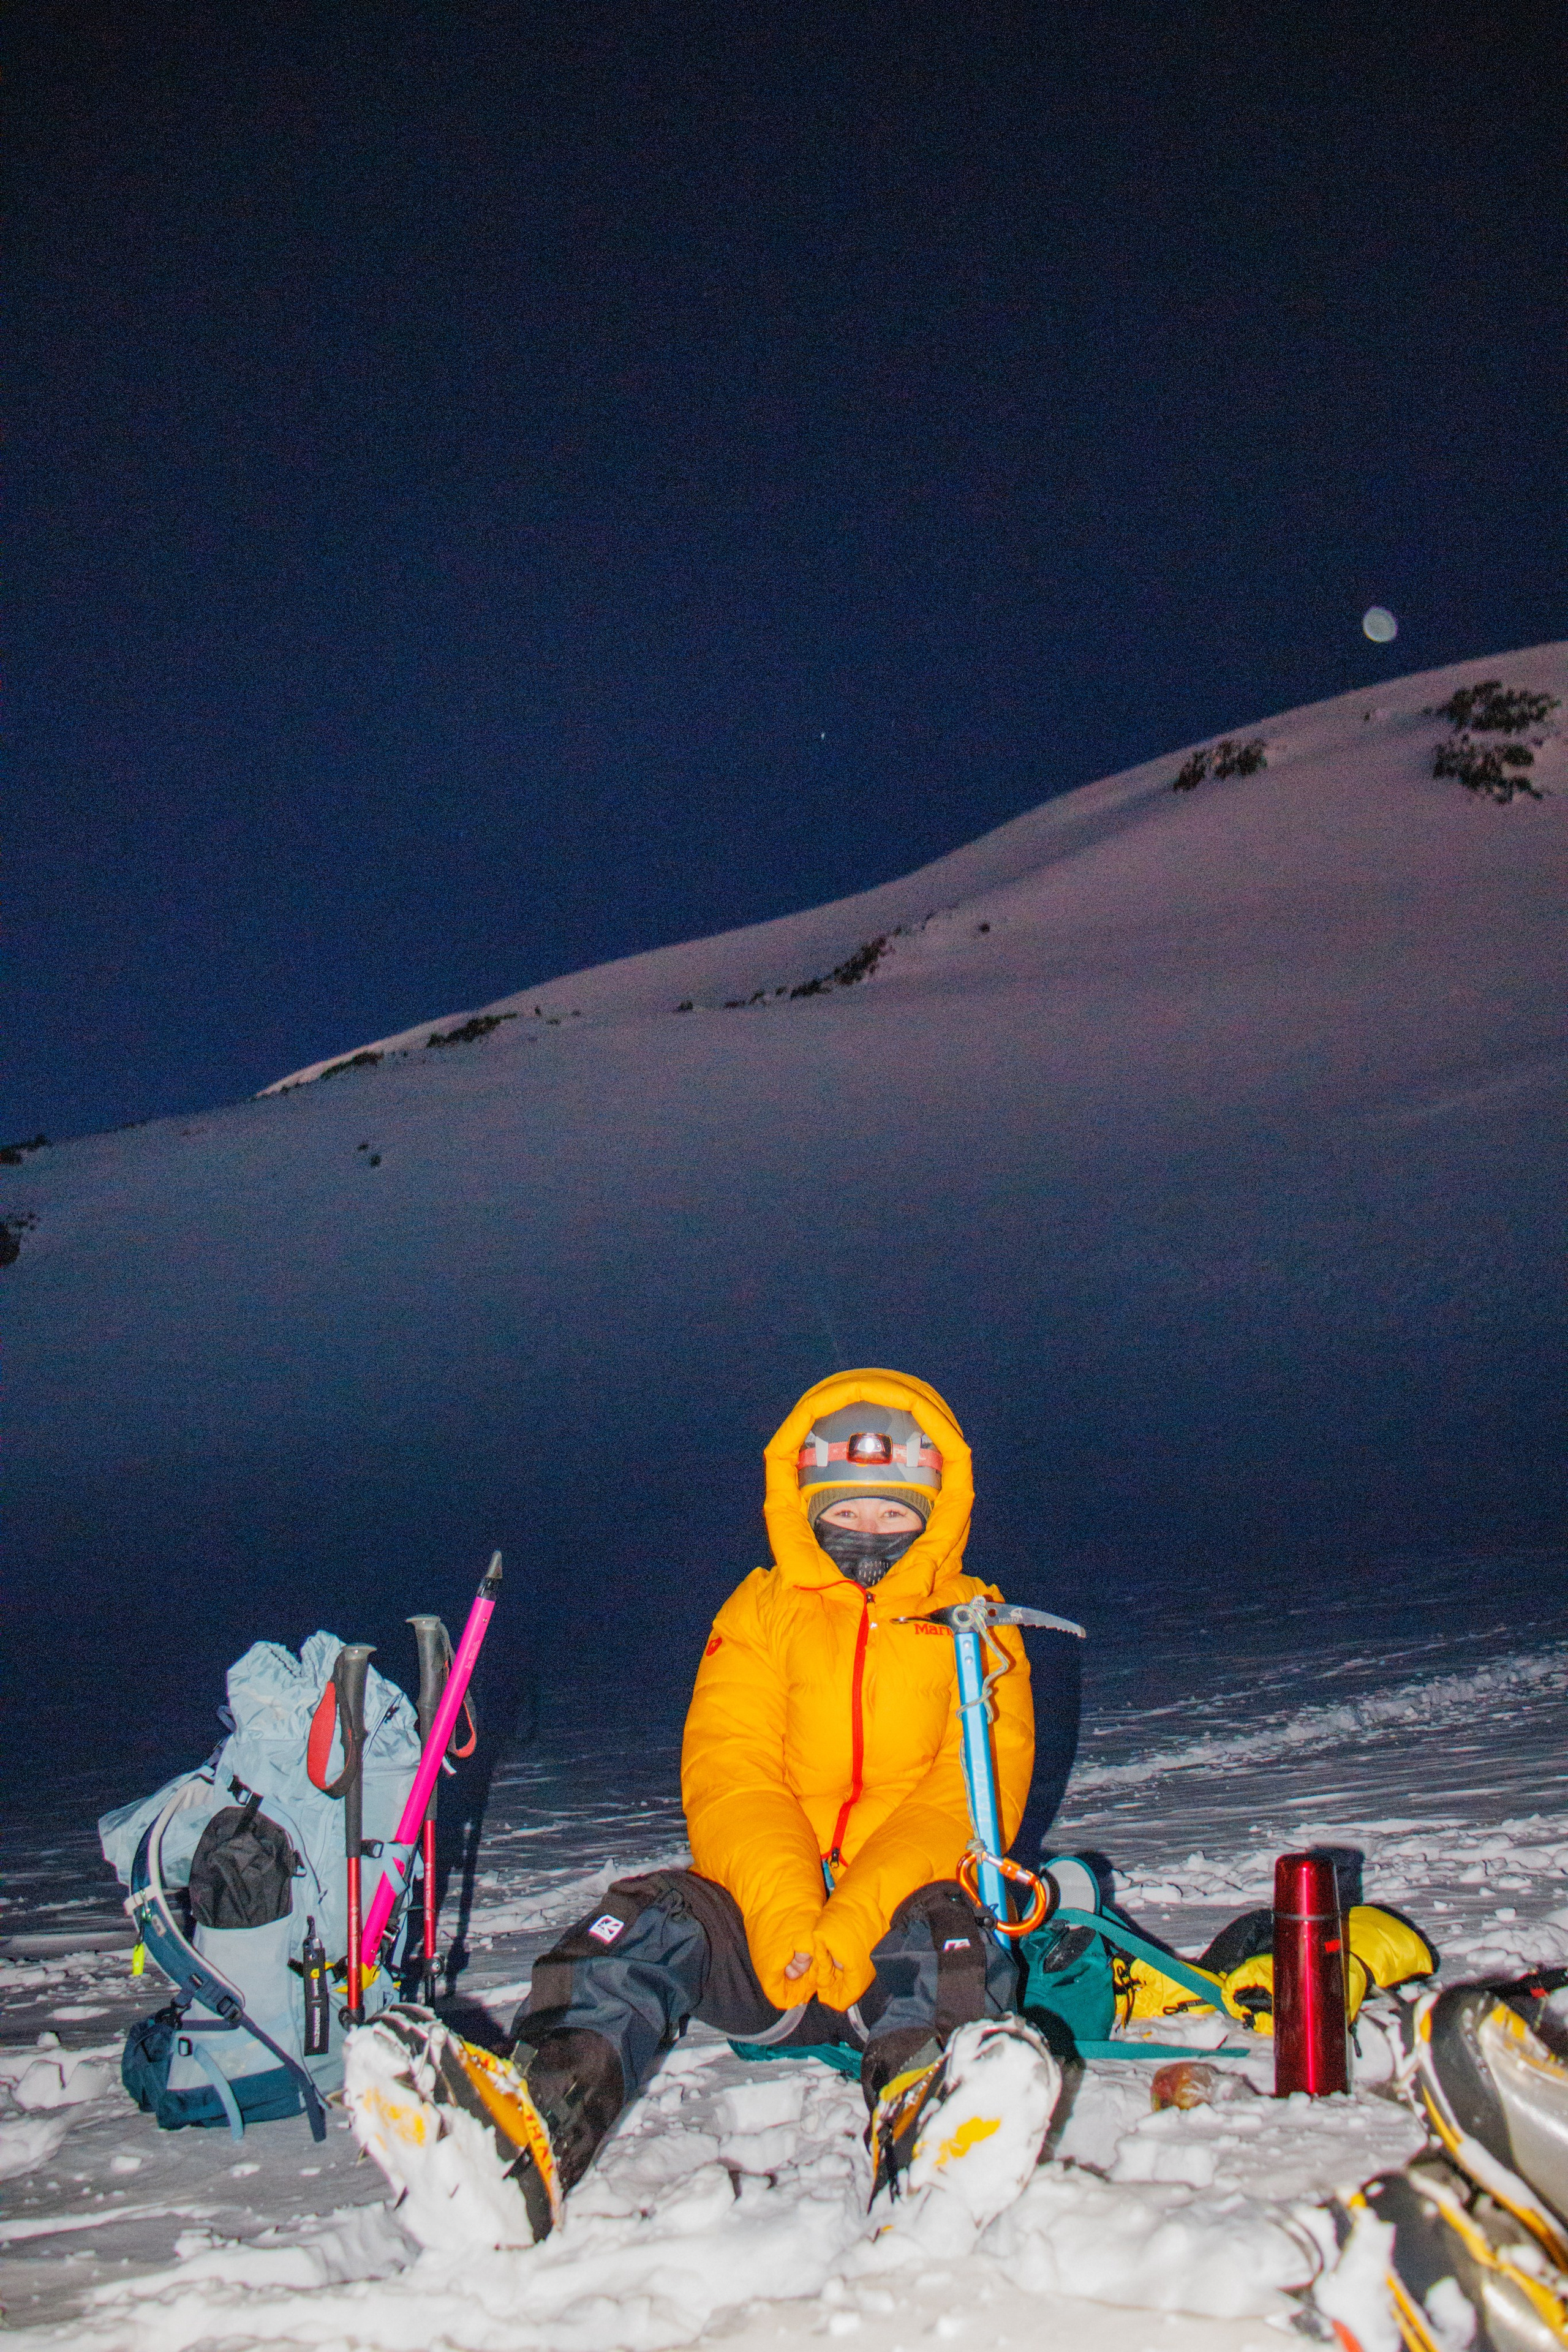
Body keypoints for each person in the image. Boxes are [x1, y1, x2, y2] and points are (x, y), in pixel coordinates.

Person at [349, 1369, 1066, 2246]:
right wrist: (787, 1915)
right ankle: (527, 2136)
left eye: (892, 1512)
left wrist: (851, 1920)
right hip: (774, 1941)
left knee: (943, 1926)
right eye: (845, 1510)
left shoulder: (980, 1624)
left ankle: (935, 2131)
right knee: (652, 1916)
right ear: (805, 1503)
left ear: (937, 1507)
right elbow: (733, 1772)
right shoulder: (759, 1612)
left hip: (892, 1934)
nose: (868, 1531)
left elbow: (964, 1799)